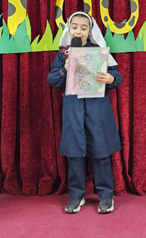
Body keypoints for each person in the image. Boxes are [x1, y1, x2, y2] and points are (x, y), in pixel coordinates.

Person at [47, 11, 122, 214]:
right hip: (73, 110)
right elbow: (53, 79)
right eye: (74, 27)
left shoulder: (99, 52)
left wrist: (110, 79)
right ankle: (76, 195)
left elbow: (116, 76)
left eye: (83, 27)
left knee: (100, 151)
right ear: (68, 30)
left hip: (97, 109)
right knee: (75, 153)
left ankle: (106, 195)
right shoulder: (63, 54)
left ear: (90, 31)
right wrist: (64, 68)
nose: (78, 31)